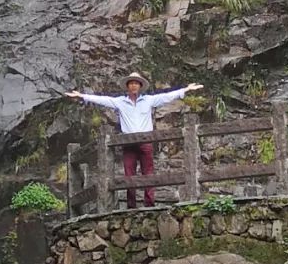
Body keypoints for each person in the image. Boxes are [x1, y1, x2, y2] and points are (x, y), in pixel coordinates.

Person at [67, 72, 203, 207]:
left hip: (145, 141)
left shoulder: (148, 100)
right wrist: (81, 96)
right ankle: (131, 205)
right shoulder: (120, 102)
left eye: (136, 83)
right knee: (129, 175)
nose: (133, 86)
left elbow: (166, 97)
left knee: (148, 173)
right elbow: (103, 100)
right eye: (131, 83)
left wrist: (185, 90)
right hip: (128, 143)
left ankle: (149, 203)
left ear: (140, 86)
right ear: (127, 86)